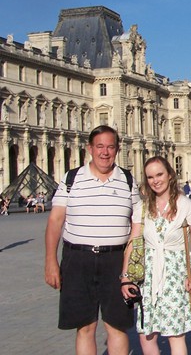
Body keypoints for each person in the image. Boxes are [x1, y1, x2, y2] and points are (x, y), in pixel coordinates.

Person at [45, 125, 139, 355]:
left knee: (117, 326)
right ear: (90, 148)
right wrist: (50, 261)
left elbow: (138, 225)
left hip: (116, 260)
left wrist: (133, 266)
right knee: (85, 326)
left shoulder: (128, 180)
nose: (105, 152)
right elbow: (55, 220)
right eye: (100, 146)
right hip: (77, 258)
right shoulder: (71, 178)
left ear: (117, 149)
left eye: (110, 147)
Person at [121, 156, 191, 355]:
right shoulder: (141, 208)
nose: (155, 180)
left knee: (175, 334)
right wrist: (125, 276)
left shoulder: (187, 206)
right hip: (148, 277)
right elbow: (133, 242)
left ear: (170, 175)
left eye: (159, 175)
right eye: (150, 177)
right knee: (146, 335)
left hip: (176, 275)